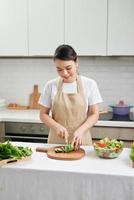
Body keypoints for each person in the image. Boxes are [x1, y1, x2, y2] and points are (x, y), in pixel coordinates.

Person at [39, 44, 103, 150]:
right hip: (56, 142)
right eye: (59, 69)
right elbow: (43, 114)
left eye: (68, 68)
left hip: (82, 140)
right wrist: (57, 127)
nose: (64, 73)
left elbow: (94, 114)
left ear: (76, 62)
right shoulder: (51, 85)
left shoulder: (90, 84)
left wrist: (80, 131)